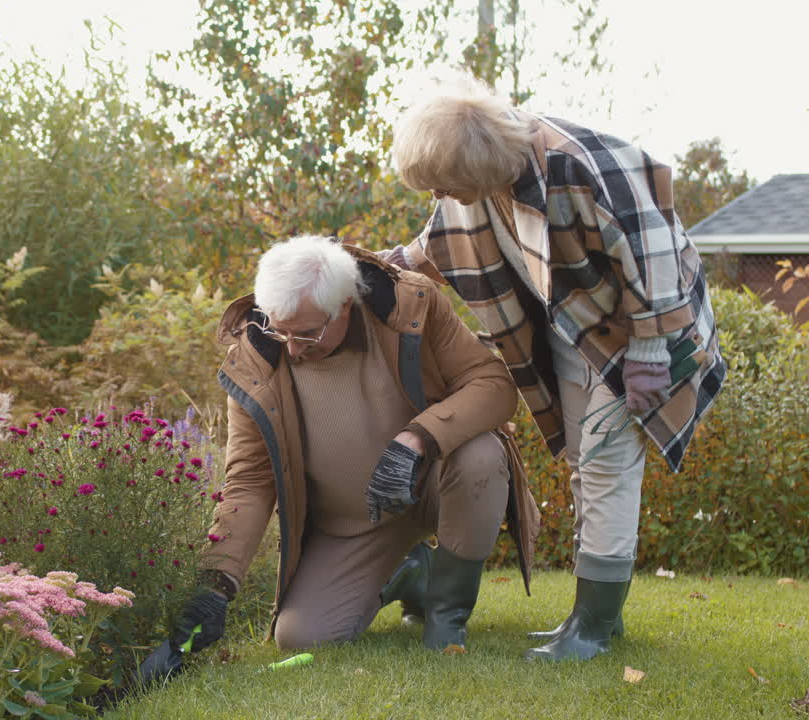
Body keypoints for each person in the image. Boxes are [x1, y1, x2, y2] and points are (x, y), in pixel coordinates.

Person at [381, 90, 727, 661]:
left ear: (477, 164)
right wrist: (397, 265)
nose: (439, 196)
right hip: (574, 330)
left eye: (442, 183)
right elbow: (442, 238)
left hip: (641, 334)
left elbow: (655, 246)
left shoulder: (576, 164)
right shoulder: (483, 179)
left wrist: (648, 350)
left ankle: (591, 629)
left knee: (608, 464)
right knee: (582, 465)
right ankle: (595, 621)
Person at [170, 235, 537, 656]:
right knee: (301, 636)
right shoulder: (254, 358)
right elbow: (250, 481)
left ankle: (446, 618)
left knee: (481, 455)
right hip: (350, 525)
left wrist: (416, 438)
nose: (291, 348)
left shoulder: (411, 303)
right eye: (279, 329)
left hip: (435, 484)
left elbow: (493, 386)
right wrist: (216, 584)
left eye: (306, 334)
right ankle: (407, 571)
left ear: (344, 304)